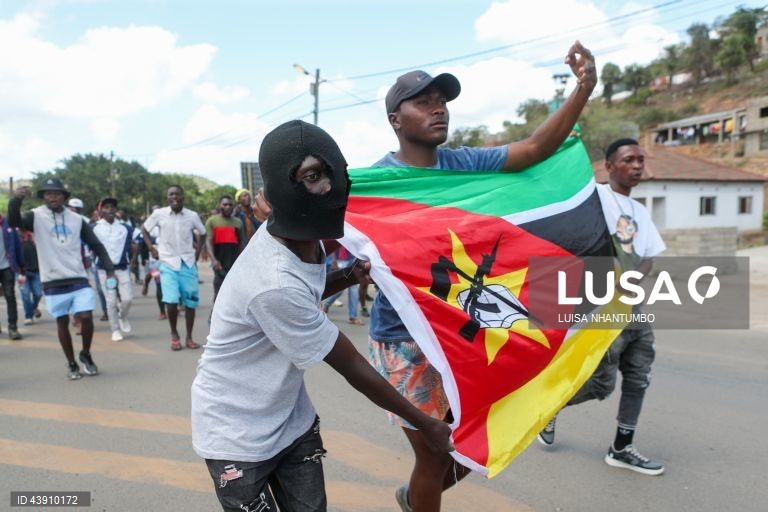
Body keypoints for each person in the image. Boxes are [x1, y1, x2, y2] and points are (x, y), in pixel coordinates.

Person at [252, 42, 597, 512]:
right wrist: (275, 205)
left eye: (443, 102)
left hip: (466, 332)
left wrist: (583, 88)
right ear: (396, 118)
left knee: (469, 437)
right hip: (405, 341)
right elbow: (311, 212)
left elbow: (535, 149)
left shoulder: (465, 166)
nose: (439, 110)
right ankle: (422, 494)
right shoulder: (372, 185)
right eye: (424, 102)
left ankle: (416, 497)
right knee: (436, 451)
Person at [191, 120, 453, 512]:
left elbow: (306, 289)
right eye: (312, 176)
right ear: (283, 187)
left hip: (291, 420)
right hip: (237, 435)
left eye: (333, 171)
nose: (329, 187)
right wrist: (428, 424)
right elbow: (351, 366)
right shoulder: (272, 281)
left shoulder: (302, 237)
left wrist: (347, 276)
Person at [537, 138, 666, 476]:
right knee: (601, 384)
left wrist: (633, 278)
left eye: (640, 159)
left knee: (639, 377)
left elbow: (648, 257)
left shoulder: (640, 211)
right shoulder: (594, 200)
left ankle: (622, 448)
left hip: (634, 309)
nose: (637, 165)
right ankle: (548, 407)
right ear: (609, 166)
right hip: (601, 311)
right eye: (628, 160)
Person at [9, 178, 115, 380]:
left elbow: (95, 244)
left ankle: (85, 354)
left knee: (85, 317)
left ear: (64, 197)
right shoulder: (35, 216)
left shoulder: (77, 220)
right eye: (48, 193)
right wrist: (16, 200)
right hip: (52, 279)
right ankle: (72, 362)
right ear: (43, 197)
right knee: (62, 321)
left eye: (57, 193)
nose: (52, 196)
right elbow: (14, 222)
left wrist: (108, 267)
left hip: (77, 276)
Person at [141, 185, 206, 351]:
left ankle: (189, 337)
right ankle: (174, 334)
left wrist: (197, 254)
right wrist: (151, 248)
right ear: (167, 198)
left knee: (190, 302)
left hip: (188, 262)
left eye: (177, 194)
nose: (174, 197)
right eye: (171, 194)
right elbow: (144, 229)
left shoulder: (192, 216)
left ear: (183, 196)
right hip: (167, 262)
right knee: (170, 301)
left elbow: (203, 233)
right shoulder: (159, 214)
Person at [92, 197, 136, 342]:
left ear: (116, 210)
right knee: (110, 302)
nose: (110, 209)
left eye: (112, 207)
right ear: (101, 211)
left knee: (127, 299)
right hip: (104, 271)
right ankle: (115, 330)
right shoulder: (94, 228)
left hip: (122, 268)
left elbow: (139, 240)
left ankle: (122, 317)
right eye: (106, 207)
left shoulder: (125, 228)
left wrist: (134, 259)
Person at [204, 195, 242, 303]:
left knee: (234, 292)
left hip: (234, 262)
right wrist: (213, 260)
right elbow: (208, 241)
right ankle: (213, 318)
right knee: (219, 291)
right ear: (219, 205)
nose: (228, 207)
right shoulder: (212, 221)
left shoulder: (238, 222)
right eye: (225, 204)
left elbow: (239, 243)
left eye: (230, 205)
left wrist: (241, 261)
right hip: (219, 263)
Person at [321, 246, 363, 325]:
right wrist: (333, 260)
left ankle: (353, 317)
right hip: (339, 259)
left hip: (353, 257)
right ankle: (326, 305)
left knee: (353, 286)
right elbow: (333, 238)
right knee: (341, 287)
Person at [0, 210, 24, 339]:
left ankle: (13, 328)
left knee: (10, 296)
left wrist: (21, 264)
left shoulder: (7, 225)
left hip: (7, 267)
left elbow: (17, 244)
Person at [19, 230, 43, 325]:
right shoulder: (15, 235)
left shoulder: (36, 235)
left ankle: (33, 308)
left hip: (36, 271)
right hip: (22, 272)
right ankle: (28, 316)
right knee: (25, 295)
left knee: (38, 293)